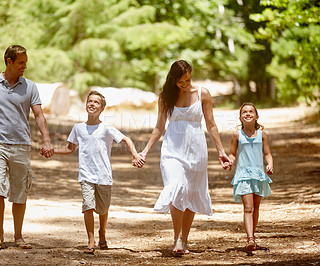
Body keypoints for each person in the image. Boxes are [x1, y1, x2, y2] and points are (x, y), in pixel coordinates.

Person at [138, 60, 230, 255]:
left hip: (197, 150)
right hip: (172, 149)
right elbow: (159, 127)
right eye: (181, 82)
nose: (185, 84)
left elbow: (211, 124)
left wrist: (221, 151)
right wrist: (144, 151)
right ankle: (177, 237)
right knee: (177, 186)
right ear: (173, 80)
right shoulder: (165, 97)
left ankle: (184, 240)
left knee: (192, 193)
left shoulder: (202, 93)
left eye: (188, 79)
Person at [0, 45, 54, 250]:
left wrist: (47, 140)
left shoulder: (30, 87)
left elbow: (39, 115)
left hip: (22, 145)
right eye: (21, 62)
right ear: (9, 62)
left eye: (25, 62)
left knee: (19, 192)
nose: (25, 66)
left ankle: (18, 235)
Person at [53, 90, 144, 255]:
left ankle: (102, 231)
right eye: (89, 101)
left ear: (102, 108)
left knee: (102, 209)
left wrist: (135, 154)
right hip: (86, 174)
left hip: (103, 175)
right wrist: (53, 151)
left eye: (96, 102)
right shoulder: (78, 128)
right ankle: (91, 239)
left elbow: (126, 139)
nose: (92, 104)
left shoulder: (106, 128)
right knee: (88, 205)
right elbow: (69, 149)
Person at [226, 102, 273, 251]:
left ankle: (252, 235)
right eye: (244, 112)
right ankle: (250, 239)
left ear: (256, 116)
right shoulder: (236, 135)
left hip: (258, 175)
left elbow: (267, 153)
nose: (248, 114)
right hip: (244, 175)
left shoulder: (262, 135)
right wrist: (230, 162)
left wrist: (270, 164)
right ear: (240, 117)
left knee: (256, 207)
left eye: (251, 112)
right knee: (248, 207)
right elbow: (232, 153)